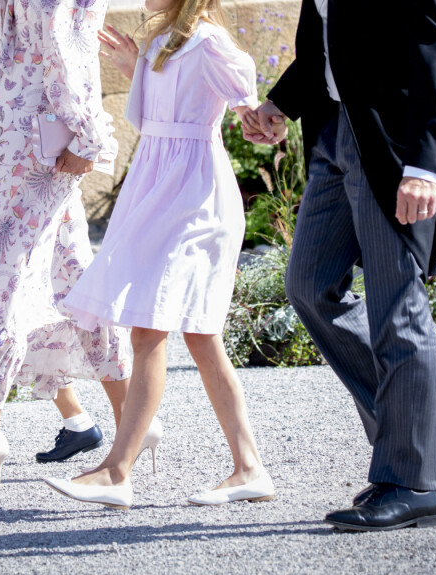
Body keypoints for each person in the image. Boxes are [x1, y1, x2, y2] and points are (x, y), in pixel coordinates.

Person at [242, 0, 436, 531]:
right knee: (310, 286)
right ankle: (419, 432)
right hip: (333, 133)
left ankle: (412, 483)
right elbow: (331, 41)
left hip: (391, 144)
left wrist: (425, 167)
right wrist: (281, 103)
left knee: (397, 306)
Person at [44, 0, 273, 510]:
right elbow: (155, 116)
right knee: (200, 337)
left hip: (193, 196)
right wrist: (136, 69)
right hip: (157, 189)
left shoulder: (209, 40)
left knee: (151, 328)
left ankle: (117, 471)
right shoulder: (162, 42)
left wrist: (260, 121)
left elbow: (246, 106)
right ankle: (249, 467)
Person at [0, 0, 160, 493]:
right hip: (27, 128)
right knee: (71, 275)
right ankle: (133, 415)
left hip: (29, 137)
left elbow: (65, 43)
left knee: (2, 277)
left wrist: (85, 136)